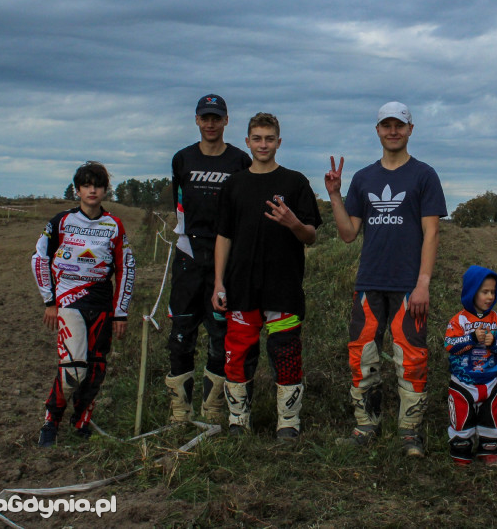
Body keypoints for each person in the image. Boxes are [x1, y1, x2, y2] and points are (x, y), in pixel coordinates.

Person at [324, 101, 447, 457]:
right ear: (377, 130)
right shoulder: (364, 178)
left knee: (411, 357)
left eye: (400, 125)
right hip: (369, 283)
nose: (393, 131)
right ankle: (366, 425)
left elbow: (432, 233)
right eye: (386, 125)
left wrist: (423, 283)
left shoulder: (424, 175)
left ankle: (410, 432)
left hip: (409, 286)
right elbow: (348, 233)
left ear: (411, 130)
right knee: (362, 355)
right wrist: (334, 195)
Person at [211, 113, 321, 439]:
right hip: (240, 287)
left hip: (283, 287)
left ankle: (288, 422)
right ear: (247, 142)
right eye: (257, 139)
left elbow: (311, 236)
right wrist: (218, 282)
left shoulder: (295, 182)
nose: (263, 144)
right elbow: (224, 237)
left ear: (279, 142)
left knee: (286, 353)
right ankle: (238, 421)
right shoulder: (234, 185)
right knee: (238, 354)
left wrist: (293, 223)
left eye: (269, 139)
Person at [32, 161, 135, 447]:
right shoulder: (60, 222)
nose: (92, 190)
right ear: (77, 190)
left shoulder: (113, 225)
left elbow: (126, 268)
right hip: (68, 302)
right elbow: (39, 258)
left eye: (97, 185)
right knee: (73, 369)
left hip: (101, 304)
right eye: (86, 185)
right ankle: (51, 420)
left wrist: (120, 313)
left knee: (96, 369)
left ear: (105, 190)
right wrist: (49, 301)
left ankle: (82, 421)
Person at [165, 94, 251, 425]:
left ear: (226, 120)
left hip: (225, 253)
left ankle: (213, 406)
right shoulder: (181, 159)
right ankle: (179, 410)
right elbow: (179, 204)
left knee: (220, 332)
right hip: (189, 253)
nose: (211, 123)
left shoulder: (239, 160)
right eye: (206, 118)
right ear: (197, 120)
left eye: (217, 117)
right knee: (182, 332)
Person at [444, 265, 497, 466]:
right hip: (463, 381)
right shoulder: (458, 321)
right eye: (485, 292)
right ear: (472, 292)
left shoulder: (496, 320)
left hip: (490, 379)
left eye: (493, 292)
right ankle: (461, 447)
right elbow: (450, 344)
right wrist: (471, 338)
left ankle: (489, 447)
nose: (490, 296)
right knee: (462, 415)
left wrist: (495, 342)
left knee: (490, 415)